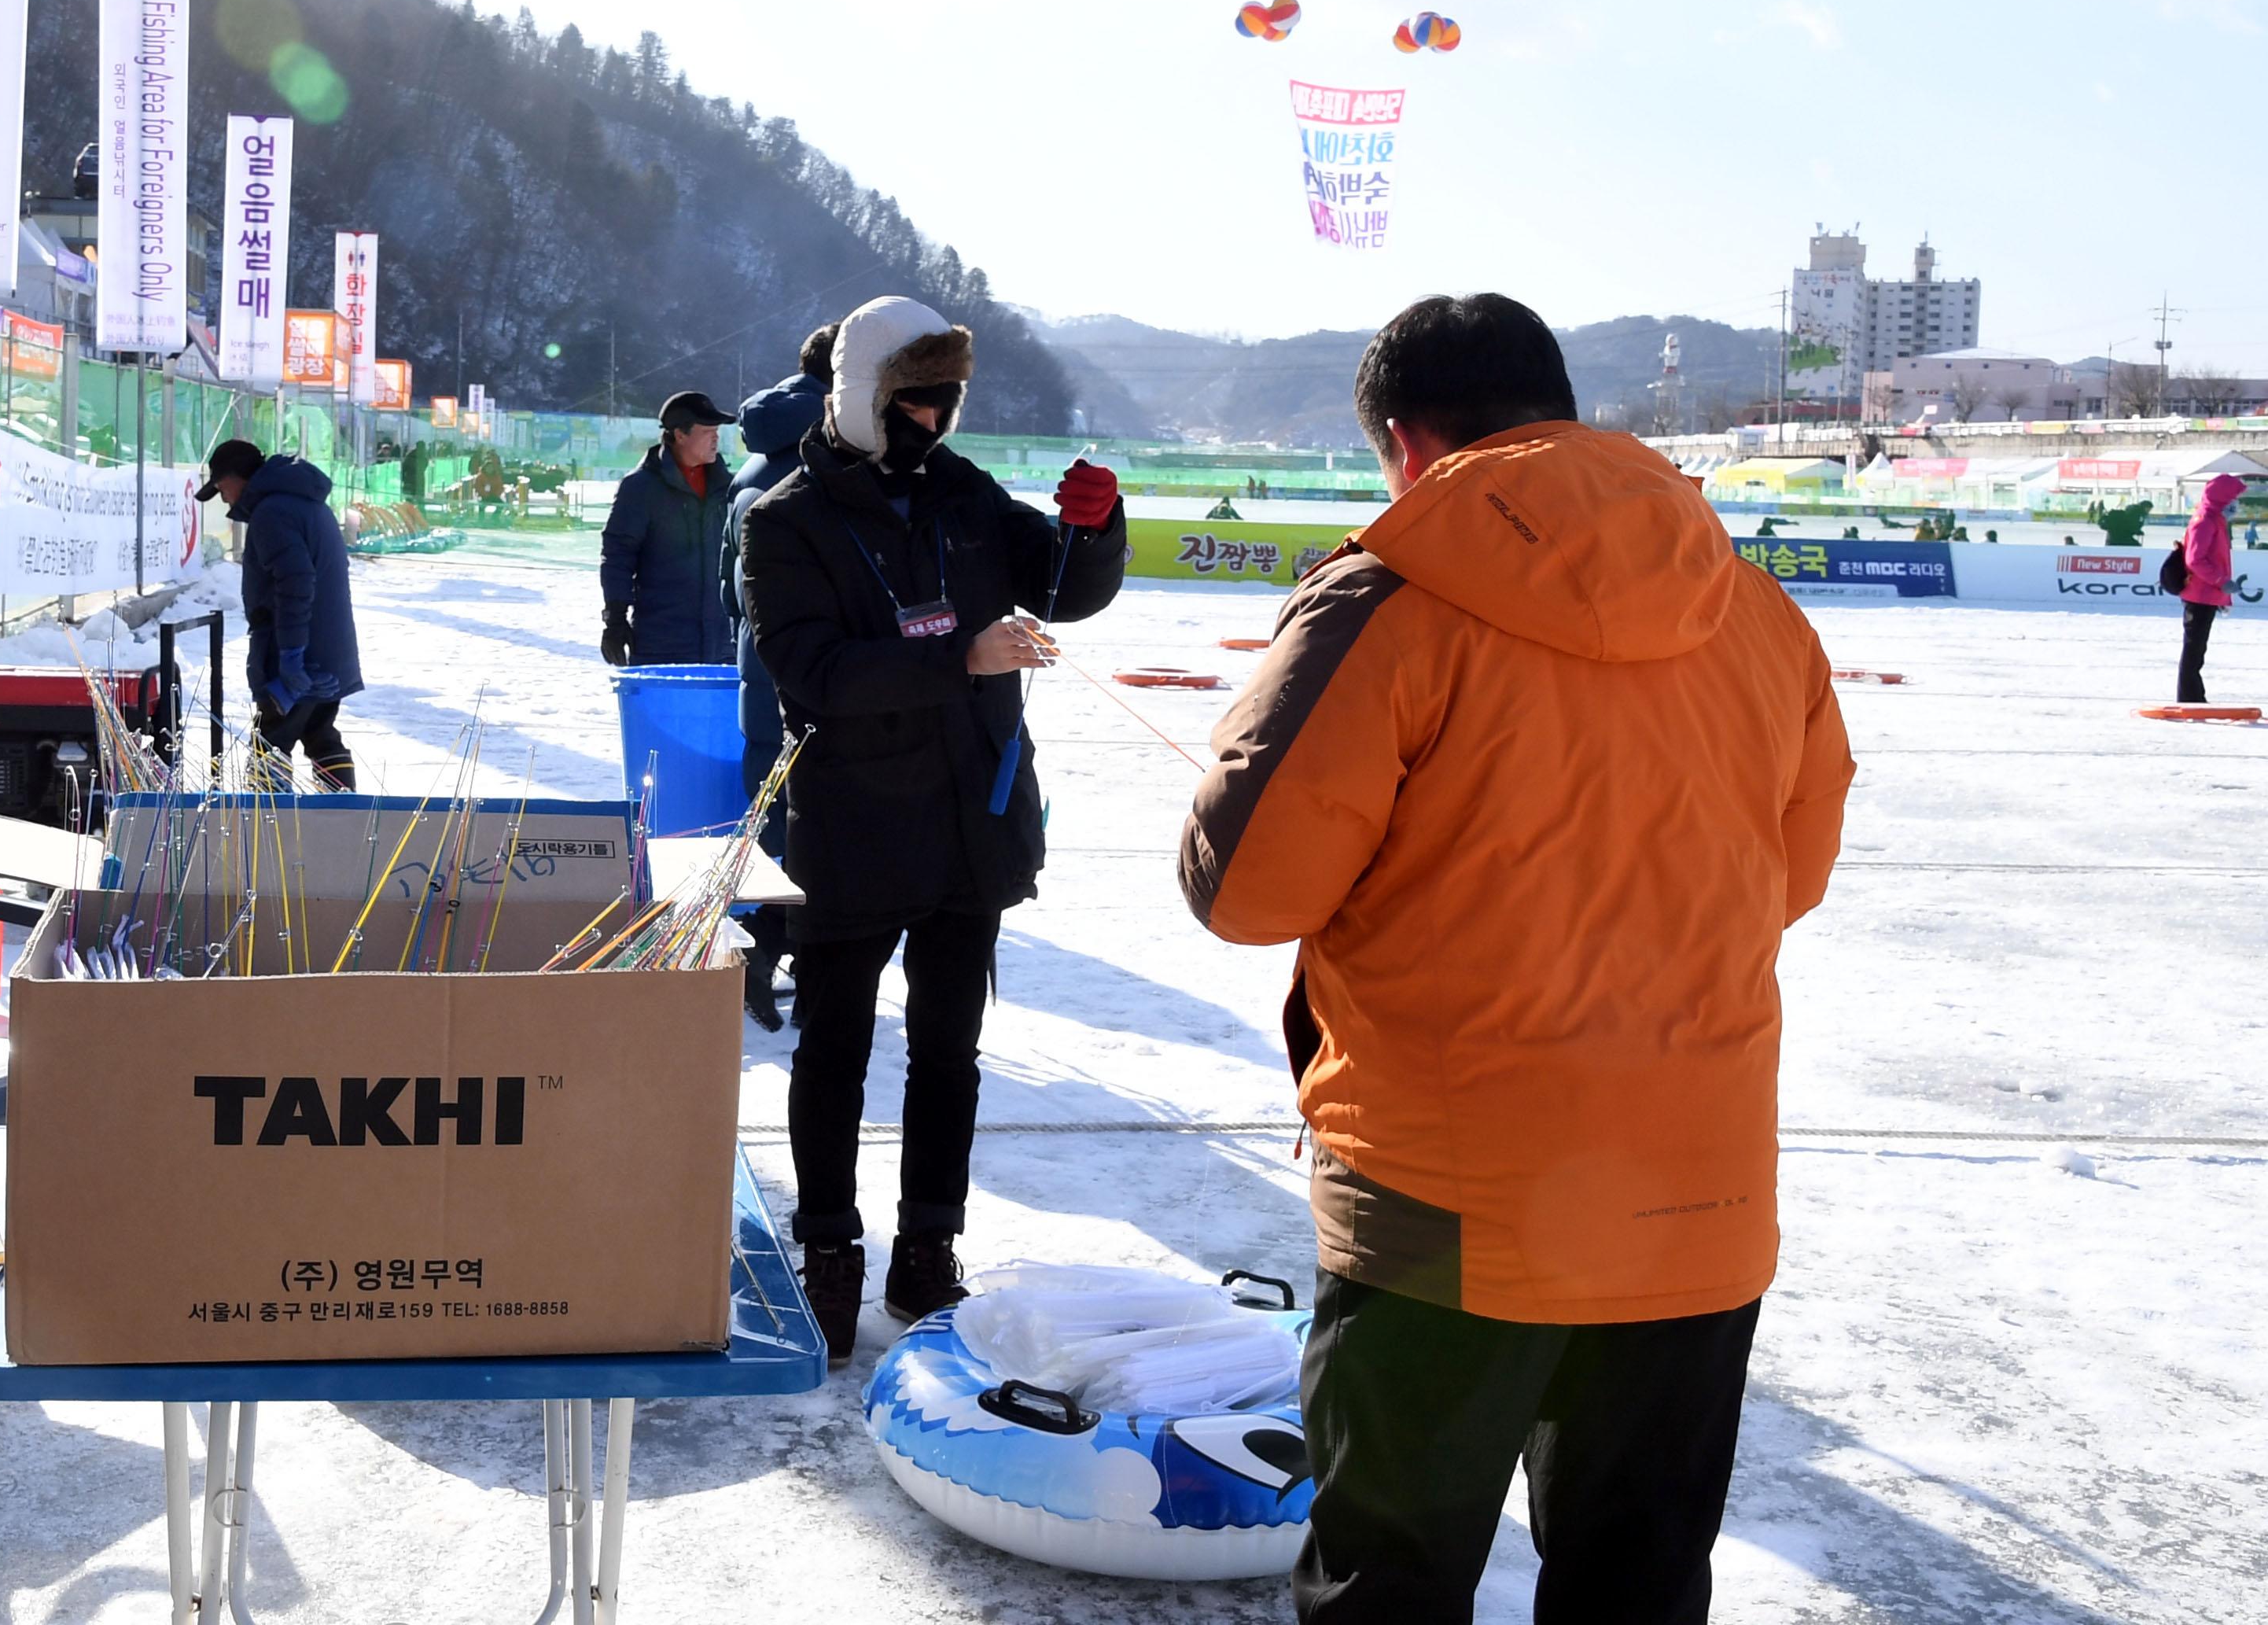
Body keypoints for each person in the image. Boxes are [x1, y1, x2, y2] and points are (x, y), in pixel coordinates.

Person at [1174, 293, 1854, 1624]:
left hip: (1445, 1198)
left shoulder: (1385, 597)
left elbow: (1245, 889)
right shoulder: (1756, 609)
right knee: (1635, 1582)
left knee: (1390, 1582)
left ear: (1406, 444)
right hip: (1691, 1193)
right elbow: (1795, 874)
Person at [739, 294, 1125, 1362]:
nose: (934, 424)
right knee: (835, 1052)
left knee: (950, 1054)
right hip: (856, 827)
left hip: (972, 819)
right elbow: (813, 670)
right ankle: (829, 1252)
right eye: (914, 404)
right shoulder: (786, 520)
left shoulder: (963, 495)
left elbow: (1060, 582)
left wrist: (1094, 532)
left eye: (949, 405)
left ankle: (926, 1251)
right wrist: (956, 656)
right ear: (864, 397)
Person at [722, 326, 836, 1030]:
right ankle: (777, 959)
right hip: (819, 678)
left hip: (756, 674)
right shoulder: (830, 472)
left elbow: (726, 593)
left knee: (777, 823)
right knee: (823, 834)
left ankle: (762, 957)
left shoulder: (748, 473)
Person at [198, 439, 363, 790]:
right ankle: (344, 818)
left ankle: (265, 835)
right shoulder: (303, 502)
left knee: (270, 743)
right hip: (327, 648)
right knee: (319, 732)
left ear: (236, 478)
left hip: (300, 651)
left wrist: (292, 657)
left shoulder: (273, 513)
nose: (224, 499)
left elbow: (296, 584)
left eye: (221, 488)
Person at [599, 392, 737, 667]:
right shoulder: (640, 488)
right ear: (680, 435)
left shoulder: (729, 488)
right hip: (662, 644)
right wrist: (615, 619)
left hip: (725, 645)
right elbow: (618, 556)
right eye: (707, 431)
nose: (716, 438)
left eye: (717, 431)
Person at [2178, 473, 2246, 702]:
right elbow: (2195, 560)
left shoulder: (2216, 520)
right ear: (2221, 498)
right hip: (2199, 594)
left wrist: (2221, 595)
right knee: (2194, 650)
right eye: (2233, 498)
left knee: (2198, 650)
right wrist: (2221, 582)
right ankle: (2190, 698)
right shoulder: (2205, 520)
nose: (2236, 504)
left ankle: (2194, 696)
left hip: (2208, 595)